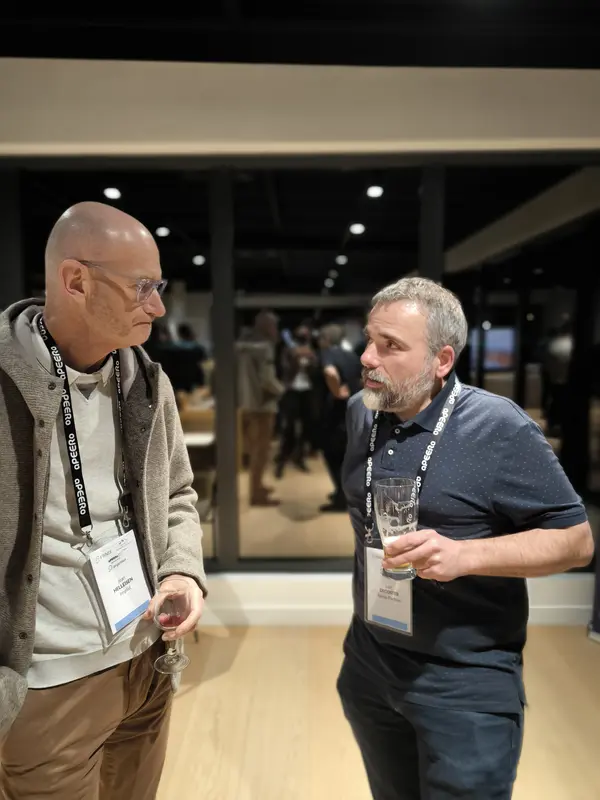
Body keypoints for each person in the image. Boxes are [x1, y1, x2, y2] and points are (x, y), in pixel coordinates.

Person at [338, 277, 594, 799]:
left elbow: (576, 540)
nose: (367, 357)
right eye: (369, 340)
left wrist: (465, 554)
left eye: (390, 345)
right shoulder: (362, 411)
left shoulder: (498, 428)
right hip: (369, 660)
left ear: (442, 360)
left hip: (464, 680)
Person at [0, 201, 206, 799]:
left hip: (147, 663)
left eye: (158, 287)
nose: (158, 306)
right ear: (76, 281)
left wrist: (181, 572)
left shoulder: (147, 381)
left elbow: (178, 493)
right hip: (45, 687)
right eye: (143, 287)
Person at [236, 310, 285, 506]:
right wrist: (282, 390)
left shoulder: (241, 347)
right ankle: (256, 493)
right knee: (261, 452)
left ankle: (257, 486)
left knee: (252, 449)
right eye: (274, 326)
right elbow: (267, 380)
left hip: (245, 403)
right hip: (263, 405)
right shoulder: (265, 348)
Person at [318, 323, 362, 511]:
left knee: (332, 455)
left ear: (326, 339)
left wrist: (336, 391)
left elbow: (330, 372)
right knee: (347, 455)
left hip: (335, 412)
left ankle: (341, 498)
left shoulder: (328, 353)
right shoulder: (351, 356)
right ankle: (345, 494)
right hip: (352, 411)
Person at [274, 323, 318, 478]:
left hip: (307, 391)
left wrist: (310, 360)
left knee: (306, 425)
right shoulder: (288, 350)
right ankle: (282, 458)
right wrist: (296, 358)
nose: (304, 337)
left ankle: (299, 457)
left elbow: (315, 370)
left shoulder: (311, 351)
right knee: (289, 426)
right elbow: (284, 369)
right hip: (291, 390)